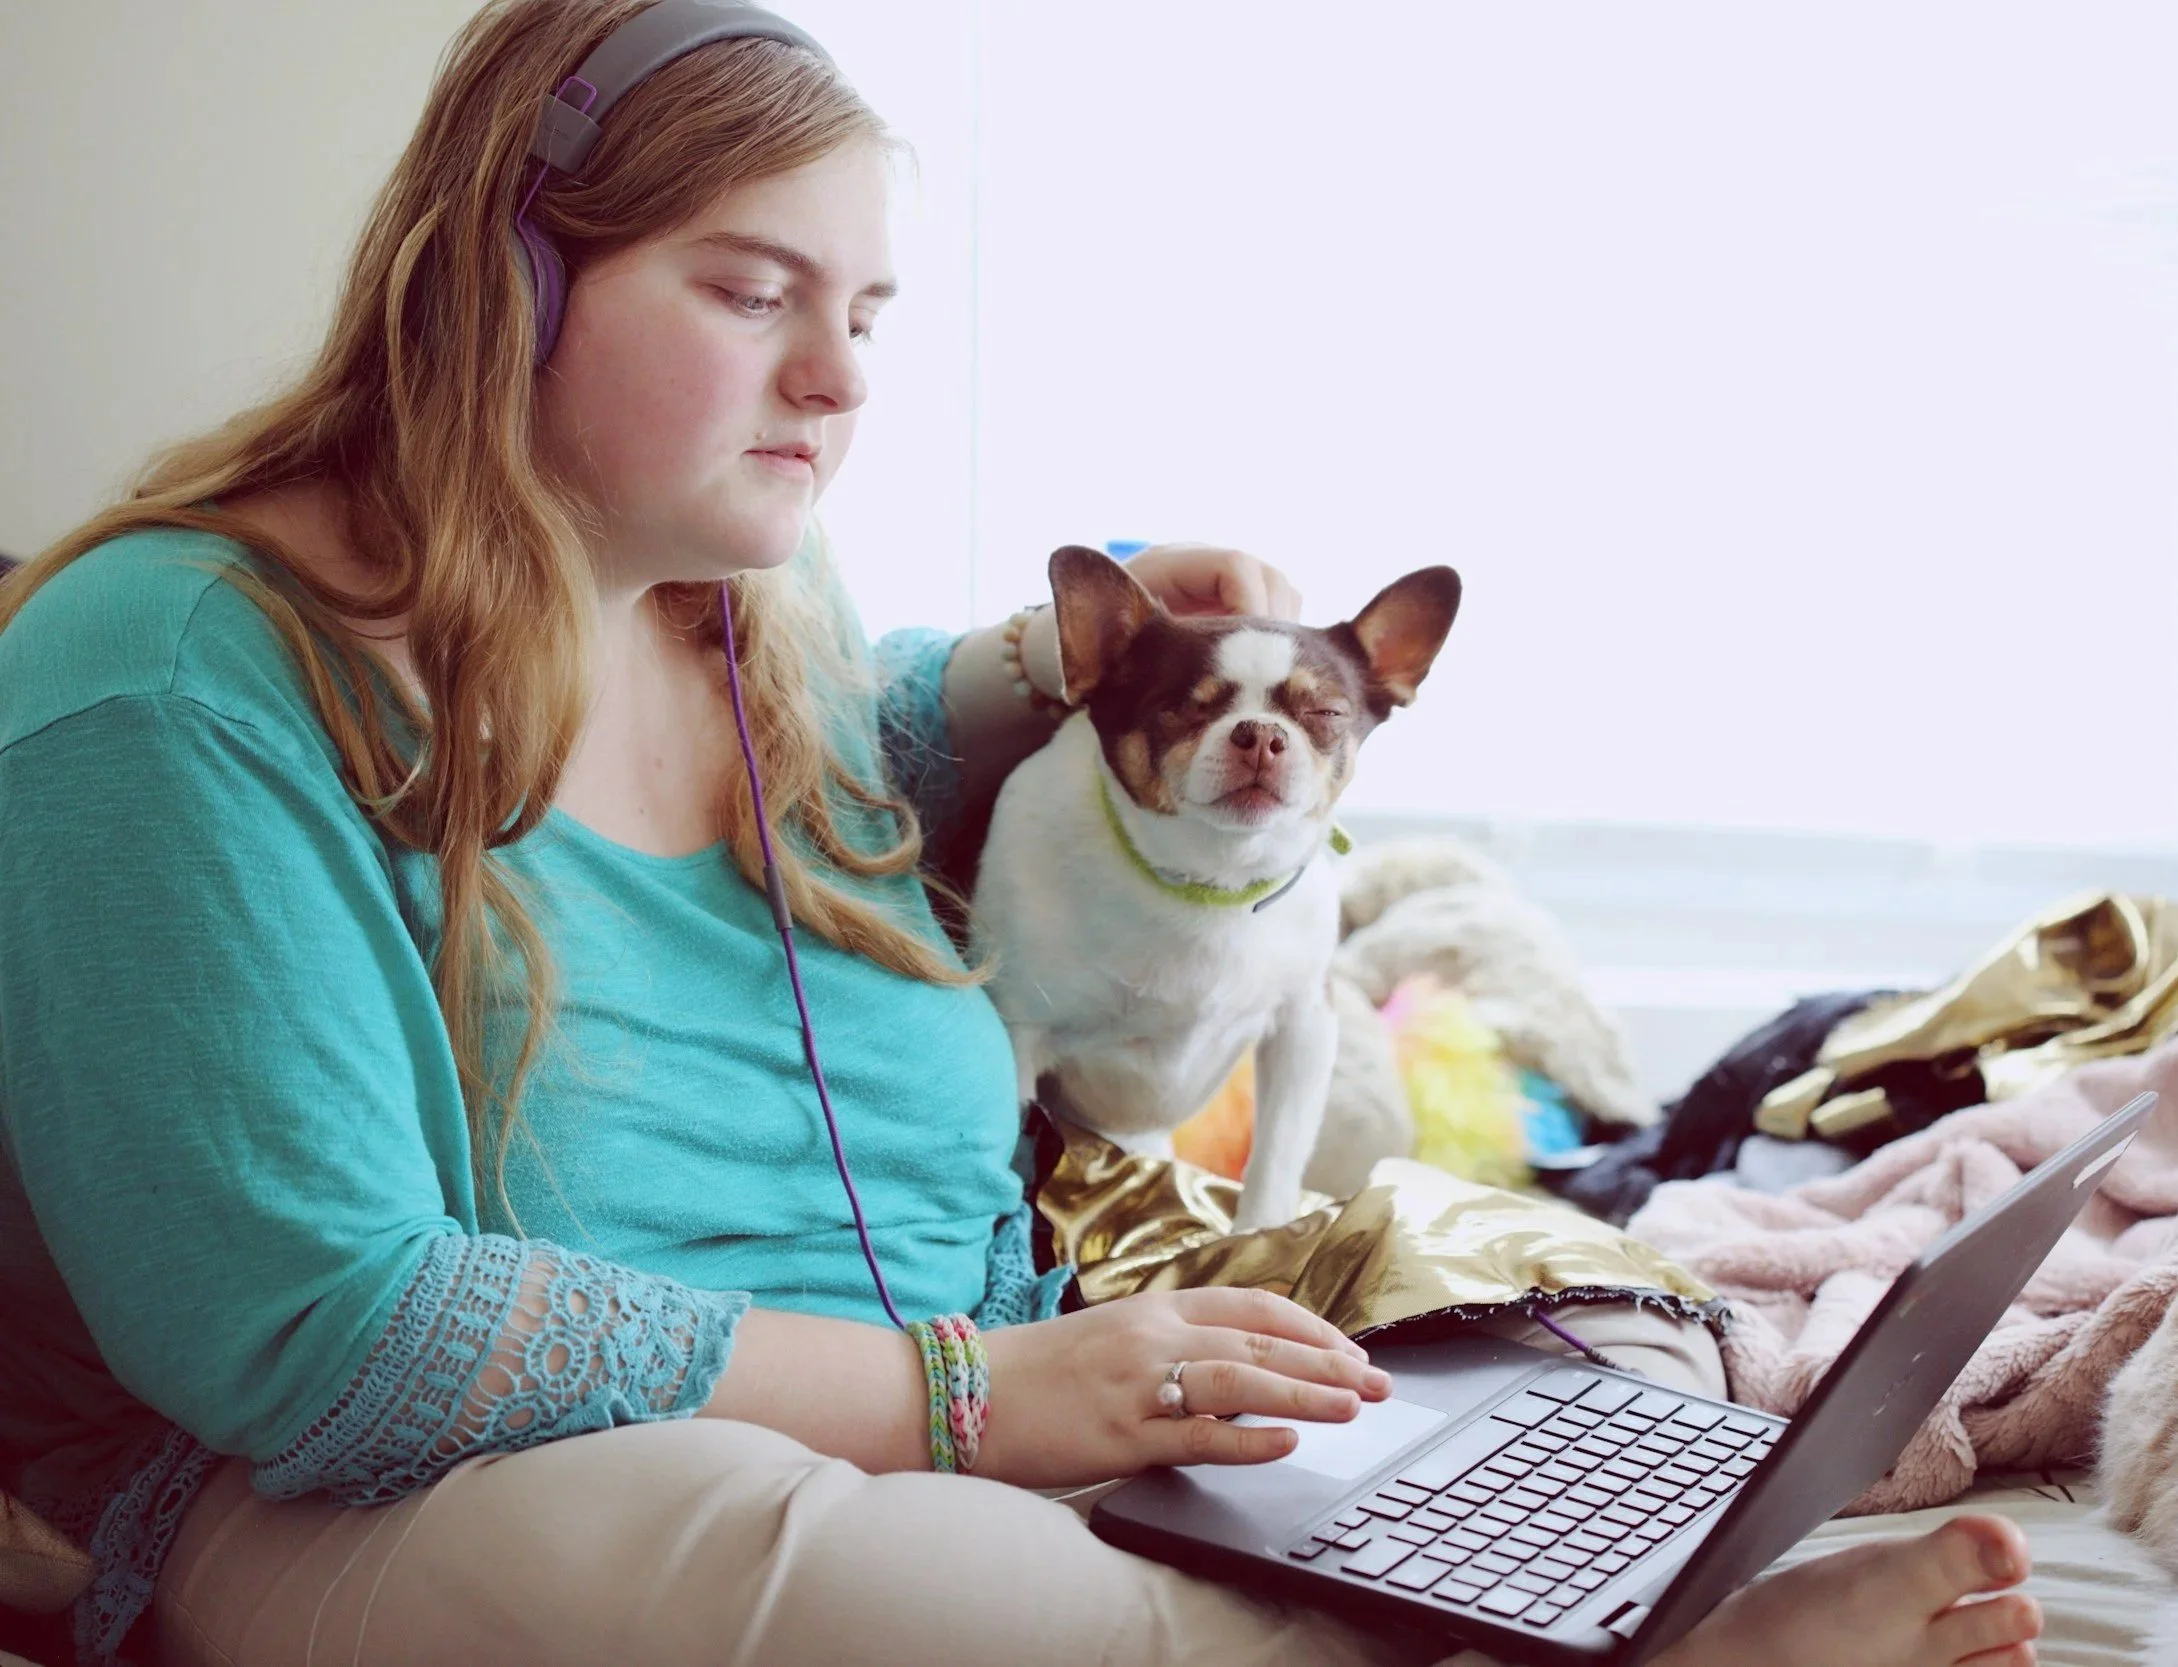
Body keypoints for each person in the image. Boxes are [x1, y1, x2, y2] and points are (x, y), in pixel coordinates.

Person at [0, 3, 2046, 1664]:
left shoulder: (732, 582)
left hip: (968, 1356)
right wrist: (979, 1402)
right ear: (507, 281)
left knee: (1543, 1347)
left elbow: (845, 774)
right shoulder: (172, 676)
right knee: (731, 1550)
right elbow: (330, 1332)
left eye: (871, 312)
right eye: (753, 291)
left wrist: (1056, 664)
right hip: (404, 1482)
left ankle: (1502, 1576)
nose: (837, 378)